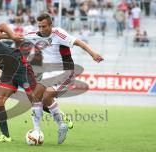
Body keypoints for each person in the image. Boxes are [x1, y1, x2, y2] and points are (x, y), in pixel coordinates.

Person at [0, 22, 72, 143]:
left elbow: (2, 25)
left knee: (34, 99)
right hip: (7, 73)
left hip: (20, 65)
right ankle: (5, 136)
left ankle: (61, 117)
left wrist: (13, 35)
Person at [15, 13, 104, 144]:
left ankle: (62, 125)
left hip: (65, 72)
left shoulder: (59, 34)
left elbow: (78, 42)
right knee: (35, 96)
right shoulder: (35, 35)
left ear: (50, 25)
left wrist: (93, 54)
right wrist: (0, 36)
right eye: (39, 26)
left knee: (47, 96)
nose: (41, 29)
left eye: (44, 26)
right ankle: (36, 130)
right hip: (49, 72)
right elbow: (17, 37)